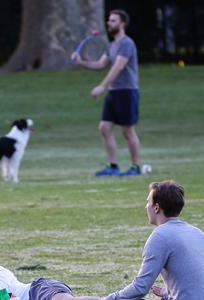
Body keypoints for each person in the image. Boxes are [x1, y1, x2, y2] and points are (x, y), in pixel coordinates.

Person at [95, 181, 204, 300]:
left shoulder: (160, 236)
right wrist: (167, 292)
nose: (146, 207)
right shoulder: (198, 233)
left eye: (147, 202)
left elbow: (140, 288)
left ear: (156, 207)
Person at [72, 10, 141, 177]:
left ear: (122, 24)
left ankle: (135, 167)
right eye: (109, 20)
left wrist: (102, 86)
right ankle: (113, 166)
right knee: (104, 127)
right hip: (114, 92)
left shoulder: (126, 43)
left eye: (113, 21)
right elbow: (100, 64)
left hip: (126, 91)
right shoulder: (111, 45)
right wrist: (80, 62)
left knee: (127, 131)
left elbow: (118, 67)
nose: (109, 23)